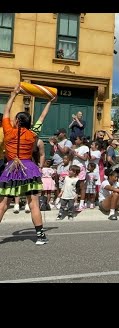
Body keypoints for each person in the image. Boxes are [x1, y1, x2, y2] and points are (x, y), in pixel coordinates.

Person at [0, 83, 54, 245]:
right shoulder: (32, 134)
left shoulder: (8, 130)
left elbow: (6, 112)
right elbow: (42, 117)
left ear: (17, 121)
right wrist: (50, 101)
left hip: (11, 169)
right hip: (28, 168)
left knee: (3, 203)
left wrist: (14, 94)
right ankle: (40, 236)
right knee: (33, 203)